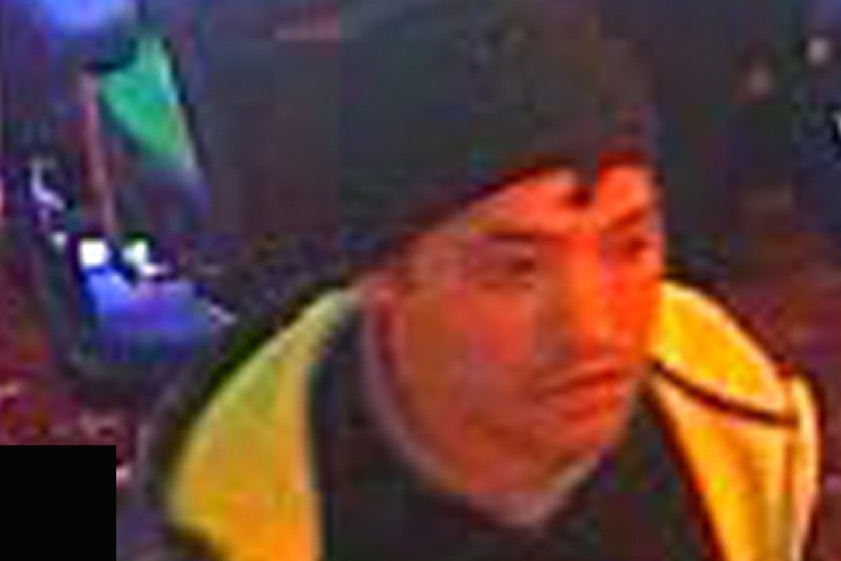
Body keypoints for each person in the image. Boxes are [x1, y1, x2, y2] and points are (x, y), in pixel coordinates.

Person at [123, 1, 820, 560]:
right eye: (516, 268)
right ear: (381, 275)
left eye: (628, 246)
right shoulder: (231, 516)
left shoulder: (731, 420)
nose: (591, 327)